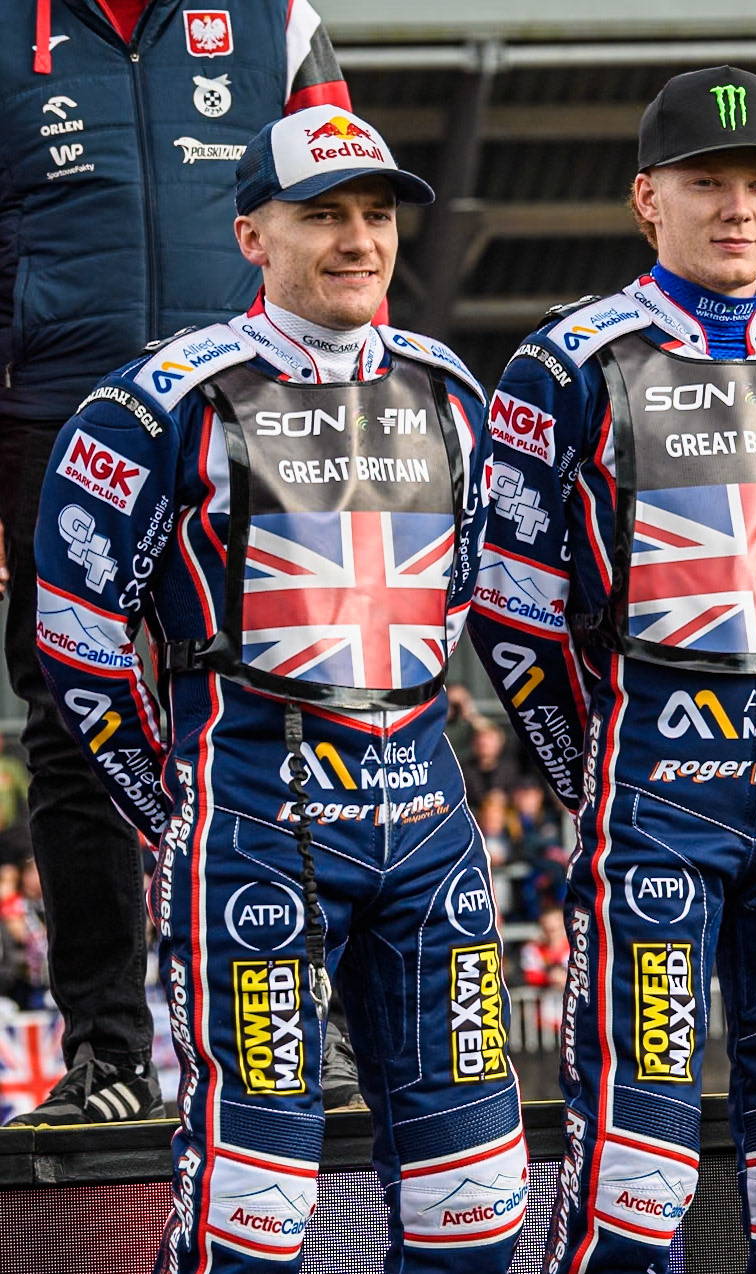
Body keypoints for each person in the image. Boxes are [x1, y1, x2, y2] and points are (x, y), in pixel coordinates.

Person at [35, 106, 529, 1268]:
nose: (359, 239)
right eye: (323, 215)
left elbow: (458, 594)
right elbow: (75, 635)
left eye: (375, 213)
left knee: (478, 1202)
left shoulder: (450, 389)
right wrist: (174, 805)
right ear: (253, 235)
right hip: (254, 825)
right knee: (251, 1215)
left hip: (424, 823)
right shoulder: (161, 400)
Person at [468, 66, 756, 1274]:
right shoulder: (566, 360)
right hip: (652, 781)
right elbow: (511, 610)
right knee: (638, 1122)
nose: (737, 208)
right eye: (708, 183)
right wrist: (595, 767)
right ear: (649, 197)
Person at [2, 0, 353, 1127]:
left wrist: (353, 395)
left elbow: (346, 206)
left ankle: (314, 1027)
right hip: (48, 417)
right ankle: (108, 1056)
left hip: (255, 405)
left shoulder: (275, 18)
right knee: (69, 726)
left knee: (299, 697)